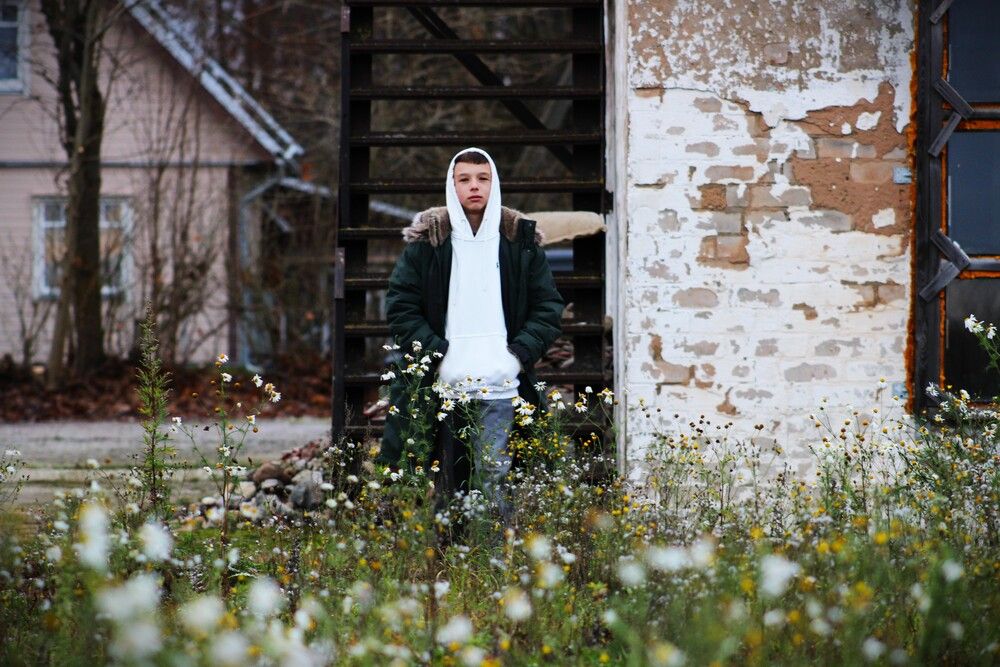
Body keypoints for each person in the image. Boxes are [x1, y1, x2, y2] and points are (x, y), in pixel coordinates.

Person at [377, 147, 565, 525]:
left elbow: (548, 306)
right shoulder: (429, 242)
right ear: (453, 185)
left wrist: (517, 356)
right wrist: (438, 355)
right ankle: (450, 553)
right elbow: (400, 305)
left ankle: (497, 552)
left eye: (482, 178)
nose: (474, 187)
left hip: (502, 384)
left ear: (494, 184)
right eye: (464, 179)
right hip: (445, 384)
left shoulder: (519, 241)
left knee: (497, 475)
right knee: (448, 479)